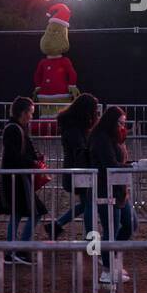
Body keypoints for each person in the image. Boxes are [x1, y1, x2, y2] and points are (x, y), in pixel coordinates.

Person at [89, 105, 137, 285]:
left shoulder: (114, 138)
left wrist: (133, 164)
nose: (122, 126)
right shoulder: (101, 138)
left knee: (130, 224)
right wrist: (134, 167)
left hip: (119, 188)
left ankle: (110, 258)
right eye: (120, 122)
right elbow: (110, 163)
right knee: (112, 227)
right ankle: (107, 269)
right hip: (106, 188)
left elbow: (118, 161)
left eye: (124, 123)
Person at [0, 96, 47, 264]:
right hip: (17, 179)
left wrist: (34, 159)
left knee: (18, 214)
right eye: (30, 113)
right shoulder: (14, 129)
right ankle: (20, 250)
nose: (31, 117)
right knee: (34, 212)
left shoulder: (15, 128)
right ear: (23, 113)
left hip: (17, 178)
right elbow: (14, 156)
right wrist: (32, 161)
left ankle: (14, 251)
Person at [49, 93, 99, 238]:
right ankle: (91, 241)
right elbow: (80, 152)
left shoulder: (73, 127)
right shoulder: (74, 130)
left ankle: (56, 225)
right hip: (79, 173)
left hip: (78, 171)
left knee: (86, 205)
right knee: (89, 205)